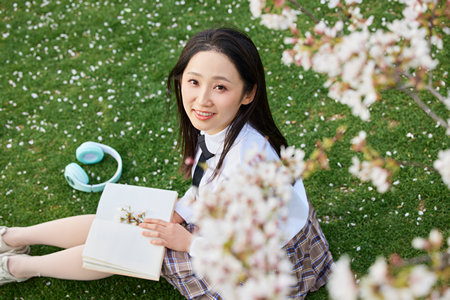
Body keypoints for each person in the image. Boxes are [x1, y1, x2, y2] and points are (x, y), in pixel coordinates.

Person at [0, 28, 333, 299]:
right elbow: (205, 177)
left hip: (262, 263)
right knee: (128, 218)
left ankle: (18, 267)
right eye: (194, 81)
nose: (202, 99)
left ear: (248, 93)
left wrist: (187, 241)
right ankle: (13, 237)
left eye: (220, 87)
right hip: (234, 228)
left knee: (129, 243)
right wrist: (183, 211)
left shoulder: (249, 167)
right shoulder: (222, 127)